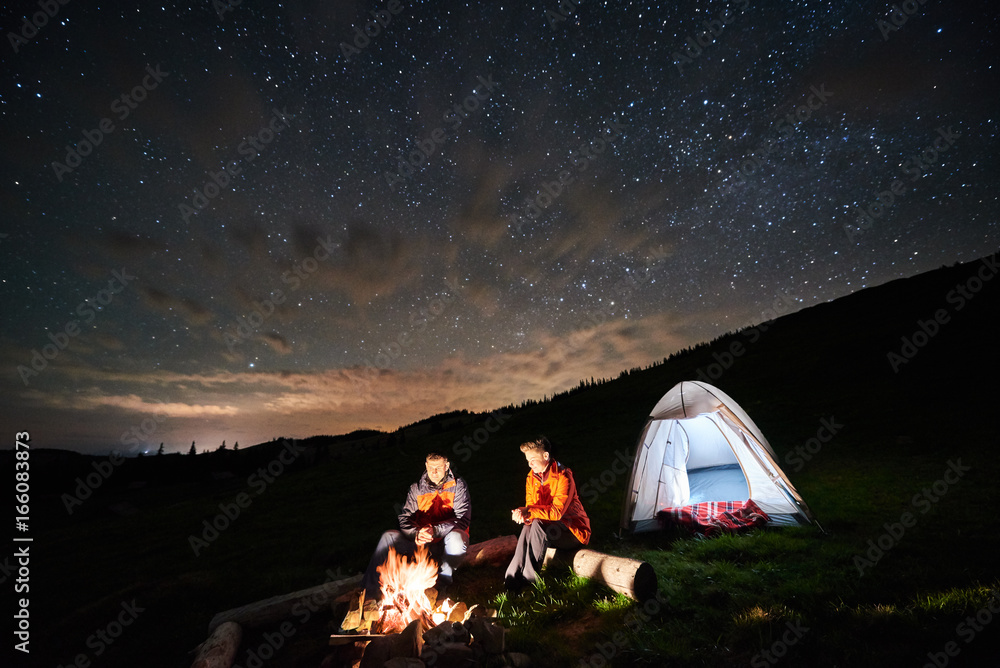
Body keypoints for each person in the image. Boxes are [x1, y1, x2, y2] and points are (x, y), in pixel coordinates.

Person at [361, 452, 471, 603]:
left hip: (445, 540)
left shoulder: (458, 486)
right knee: (388, 537)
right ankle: (368, 595)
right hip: (421, 542)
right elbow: (405, 518)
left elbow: (462, 519)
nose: (434, 472)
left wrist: (435, 530)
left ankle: (442, 585)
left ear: (447, 466)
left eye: (438, 467)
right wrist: (416, 533)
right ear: (426, 466)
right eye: (431, 467)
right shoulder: (417, 488)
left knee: (457, 539)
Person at [505, 436, 591, 589]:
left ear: (546, 456)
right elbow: (532, 510)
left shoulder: (563, 476)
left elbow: (557, 513)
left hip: (572, 531)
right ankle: (511, 577)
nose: (529, 464)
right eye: (527, 460)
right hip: (547, 529)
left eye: (532, 459)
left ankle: (529, 582)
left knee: (537, 524)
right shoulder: (531, 478)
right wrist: (523, 515)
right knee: (528, 527)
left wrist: (529, 512)